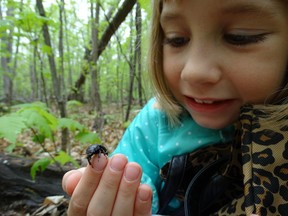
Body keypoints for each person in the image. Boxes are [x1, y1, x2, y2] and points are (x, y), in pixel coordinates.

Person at [62, 0, 288, 215]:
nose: (194, 71)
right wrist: (112, 197)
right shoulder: (156, 122)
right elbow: (132, 181)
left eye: (239, 37)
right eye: (176, 39)